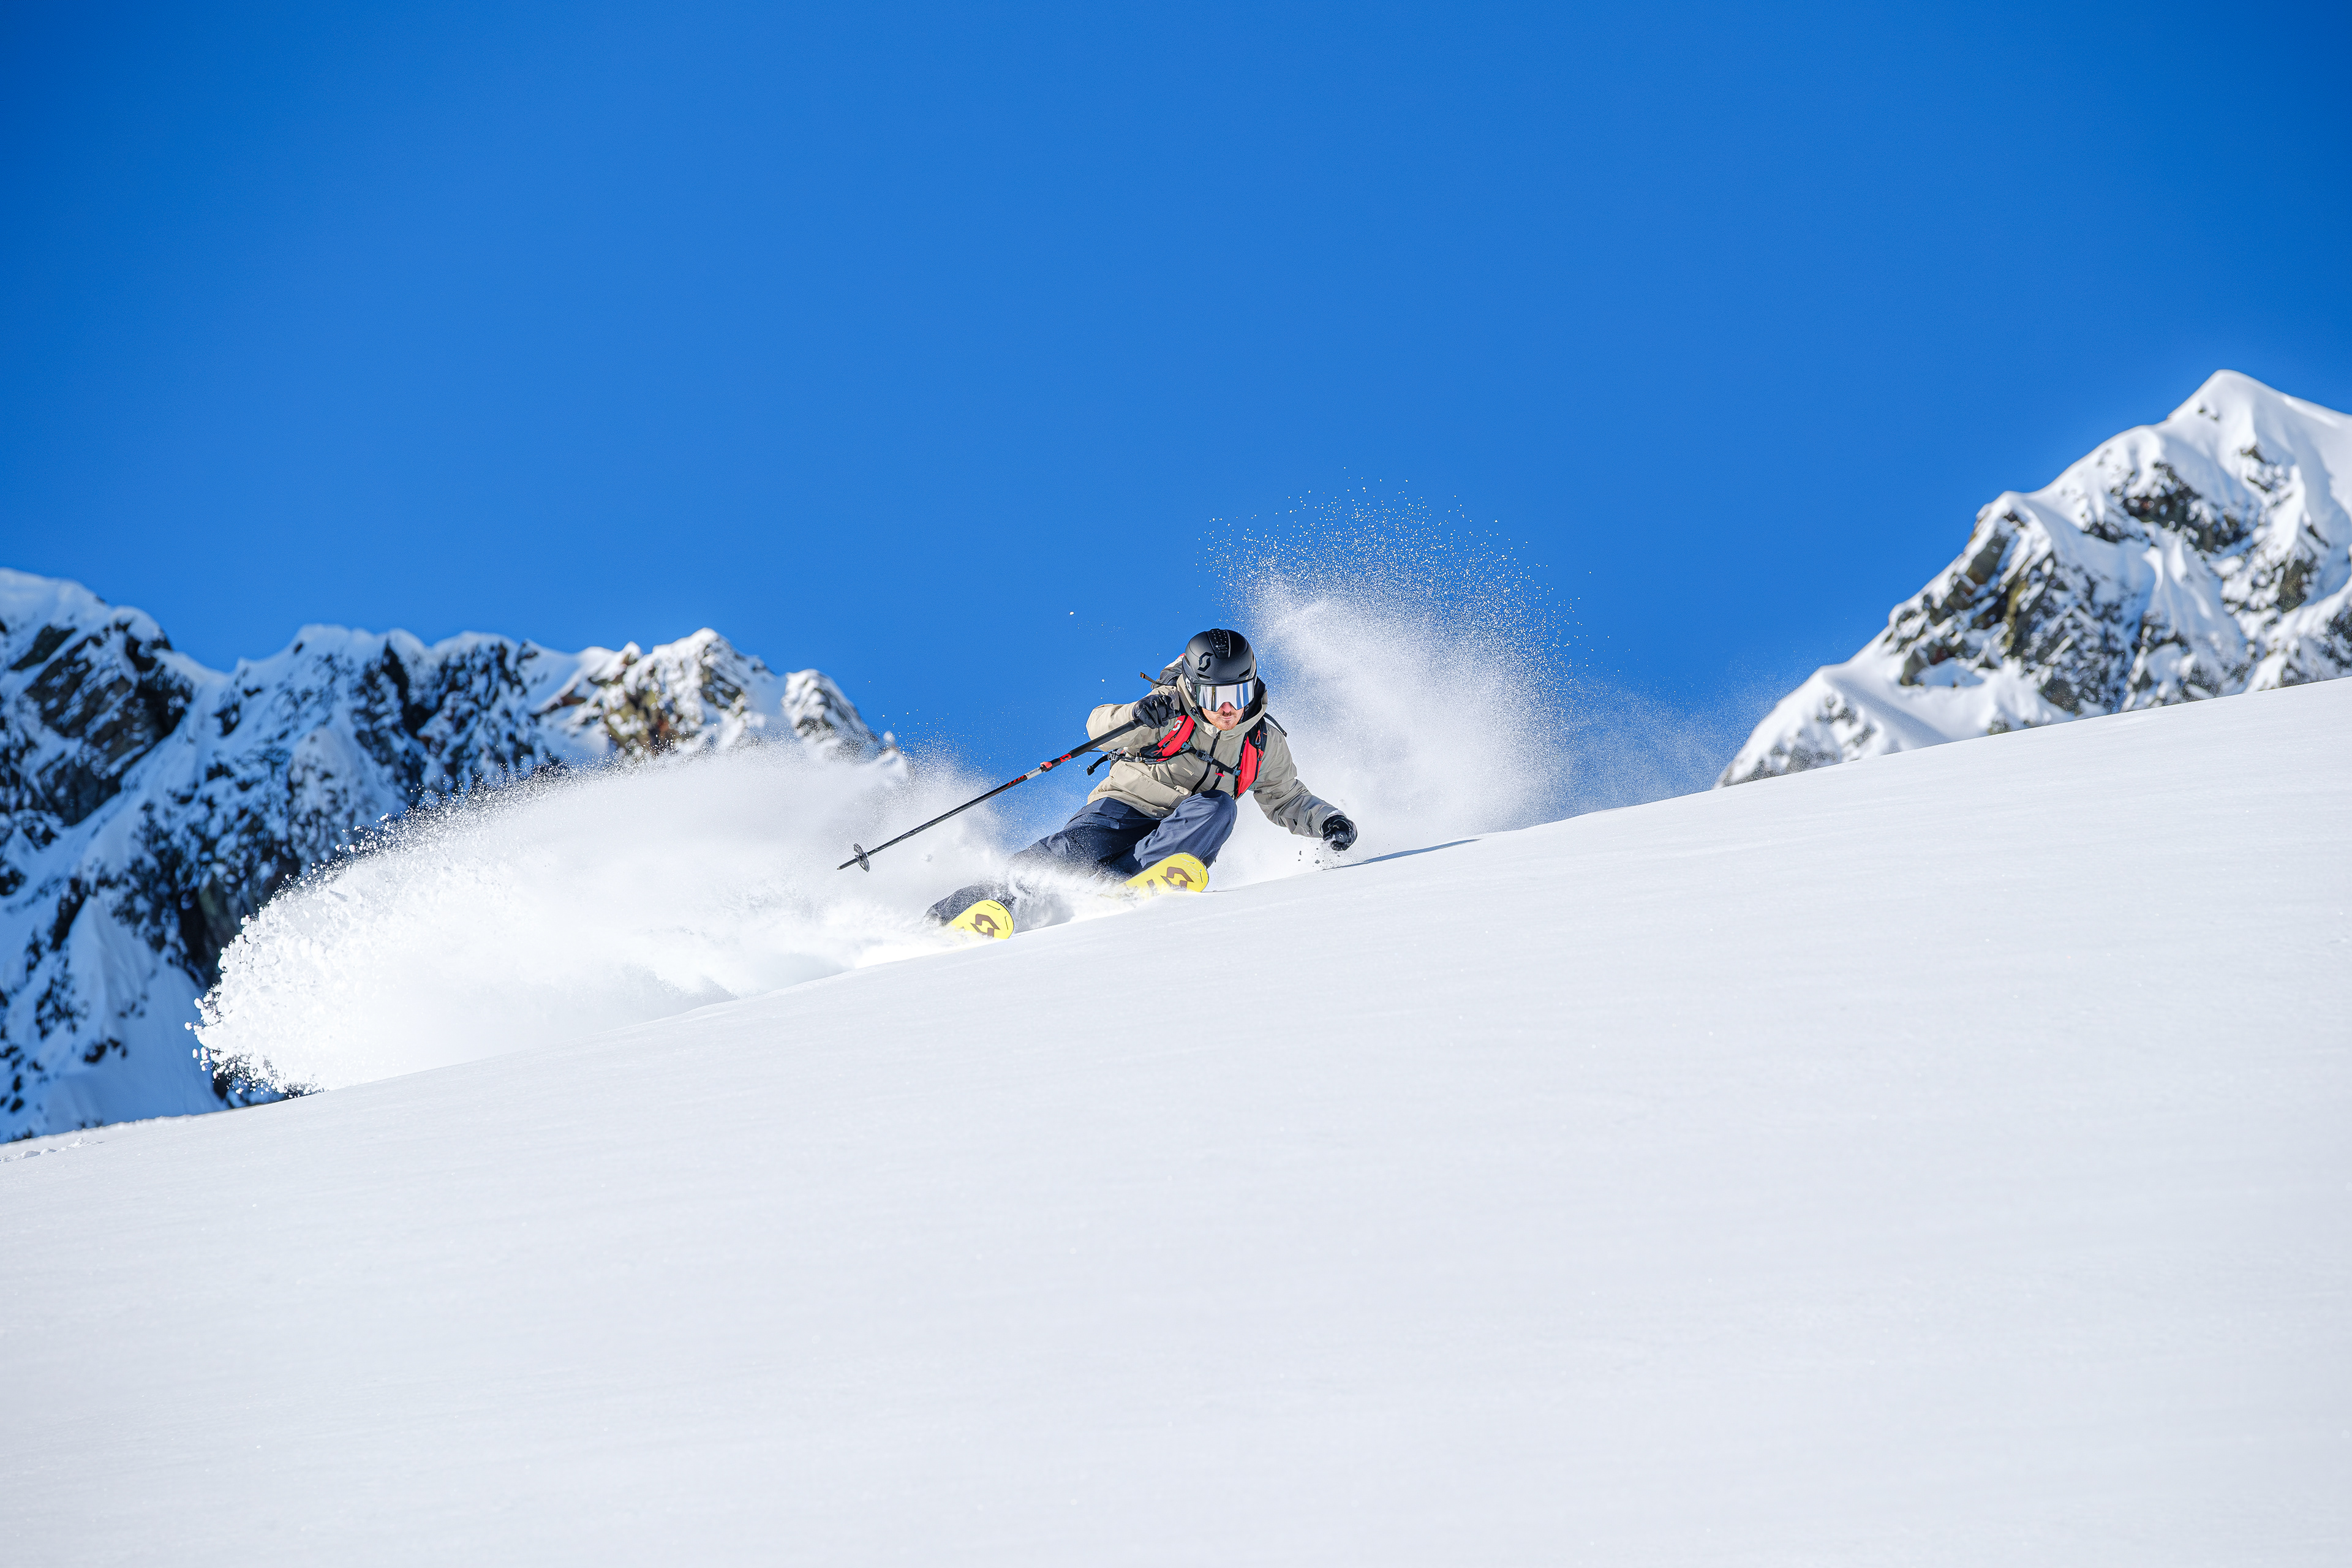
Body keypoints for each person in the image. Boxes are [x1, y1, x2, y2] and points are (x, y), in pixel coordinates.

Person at [927, 628, 1357, 930]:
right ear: (1194, 687)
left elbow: (1287, 798)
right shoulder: (1167, 708)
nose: (1228, 709)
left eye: (1238, 696)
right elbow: (1098, 727)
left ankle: (1131, 881)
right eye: (1215, 697)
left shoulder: (1263, 742)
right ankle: (951, 916)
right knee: (1068, 856)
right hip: (1123, 808)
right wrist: (1138, 716)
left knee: (1220, 807)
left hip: (1181, 835)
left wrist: (1327, 820)